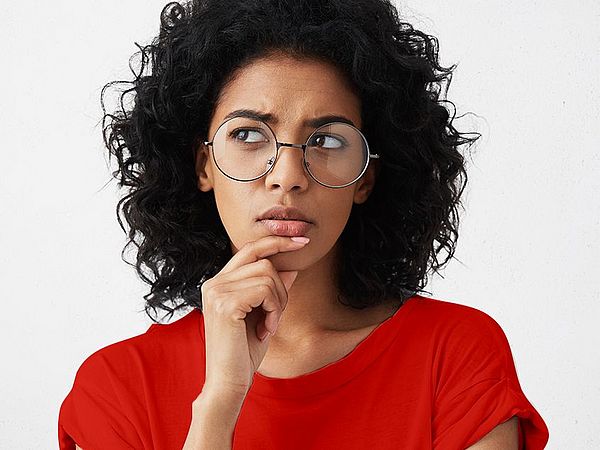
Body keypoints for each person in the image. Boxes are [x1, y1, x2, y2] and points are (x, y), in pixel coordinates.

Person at [58, 0, 550, 448]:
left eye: (329, 141)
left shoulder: (456, 355)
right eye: (249, 134)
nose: (288, 178)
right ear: (203, 165)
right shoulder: (117, 386)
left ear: (366, 178)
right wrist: (221, 400)